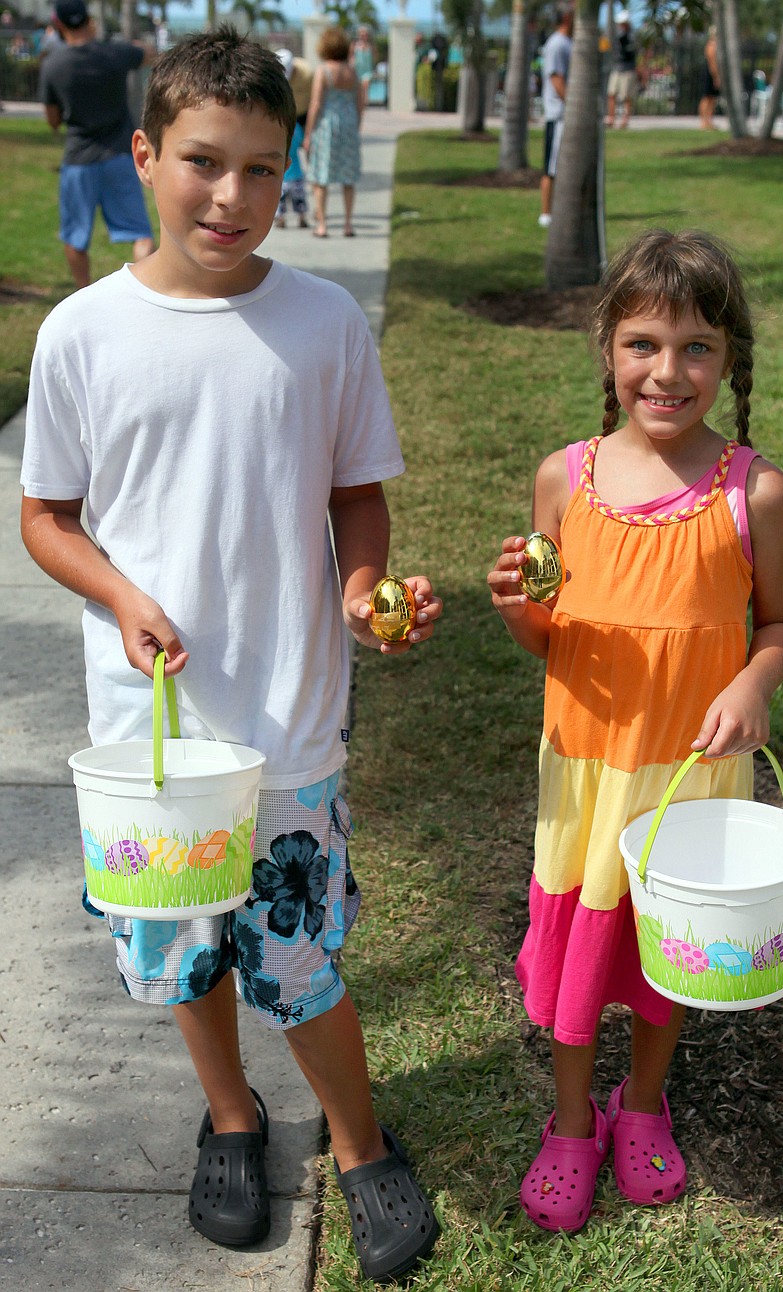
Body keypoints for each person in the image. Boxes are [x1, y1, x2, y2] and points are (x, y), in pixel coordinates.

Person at [20, 26, 442, 1285]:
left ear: (291, 170)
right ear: (144, 156)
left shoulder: (320, 326)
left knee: (300, 962)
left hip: (291, 722)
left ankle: (361, 1144)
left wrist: (363, 586)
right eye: (204, 161)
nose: (232, 196)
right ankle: (232, 1114)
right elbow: (47, 517)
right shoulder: (83, 335)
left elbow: (356, 491)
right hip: (151, 740)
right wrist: (120, 591)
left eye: (264, 169)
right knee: (184, 943)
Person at [488, 228, 783, 1234]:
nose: (668, 372)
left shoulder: (753, 492)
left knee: (670, 954)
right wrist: (511, 606)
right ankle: (573, 1116)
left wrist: (755, 678)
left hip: (691, 781)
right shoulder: (561, 481)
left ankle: (646, 1101)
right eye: (643, 344)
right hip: (586, 774)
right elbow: (546, 634)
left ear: (730, 358)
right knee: (582, 957)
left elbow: (781, 623)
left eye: (697, 347)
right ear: (608, 347)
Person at [38, 0, 155, 290]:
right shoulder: (115, 53)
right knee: (142, 235)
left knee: (75, 239)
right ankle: (144, 295)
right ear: (90, 21)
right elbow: (149, 54)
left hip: (79, 160)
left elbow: (52, 120)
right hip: (119, 156)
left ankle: (82, 294)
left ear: (60, 25)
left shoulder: (53, 65)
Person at [305, 25, 361, 239]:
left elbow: (316, 103)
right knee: (348, 178)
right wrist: (356, 126)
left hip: (327, 125)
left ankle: (322, 225)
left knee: (321, 177)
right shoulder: (352, 72)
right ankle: (347, 224)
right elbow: (359, 103)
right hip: (348, 125)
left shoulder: (323, 70)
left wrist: (309, 134)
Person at [538, 4, 573, 228]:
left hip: (566, 117)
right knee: (551, 168)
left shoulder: (569, 43)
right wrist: (574, 104)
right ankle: (545, 213)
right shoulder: (557, 44)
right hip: (558, 116)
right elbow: (556, 78)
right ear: (567, 18)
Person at [275, 47, 313, 229]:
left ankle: (281, 219)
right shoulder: (296, 132)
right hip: (297, 174)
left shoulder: (307, 73)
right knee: (299, 198)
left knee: (281, 200)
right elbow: (301, 145)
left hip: (283, 175)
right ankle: (302, 218)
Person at [606, 10, 638, 128]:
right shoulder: (617, 35)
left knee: (626, 96)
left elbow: (632, 52)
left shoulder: (632, 36)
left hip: (628, 69)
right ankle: (611, 118)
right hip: (617, 68)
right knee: (611, 93)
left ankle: (625, 120)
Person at [699, 27, 721, 129]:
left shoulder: (716, 46)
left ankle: (709, 121)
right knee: (707, 97)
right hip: (710, 74)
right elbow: (713, 63)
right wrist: (716, 77)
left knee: (712, 98)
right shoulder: (711, 46)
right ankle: (704, 121)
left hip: (713, 73)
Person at [350, 24, 375, 111]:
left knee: (365, 86)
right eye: (361, 34)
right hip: (357, 70)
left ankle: (364, 104)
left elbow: (374, 56)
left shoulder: (370, 46)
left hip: (367, 70)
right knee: (358, 88)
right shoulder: (354, 45)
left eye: (365, 34)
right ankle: (359, 103)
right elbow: (351, 56)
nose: (363, 36)